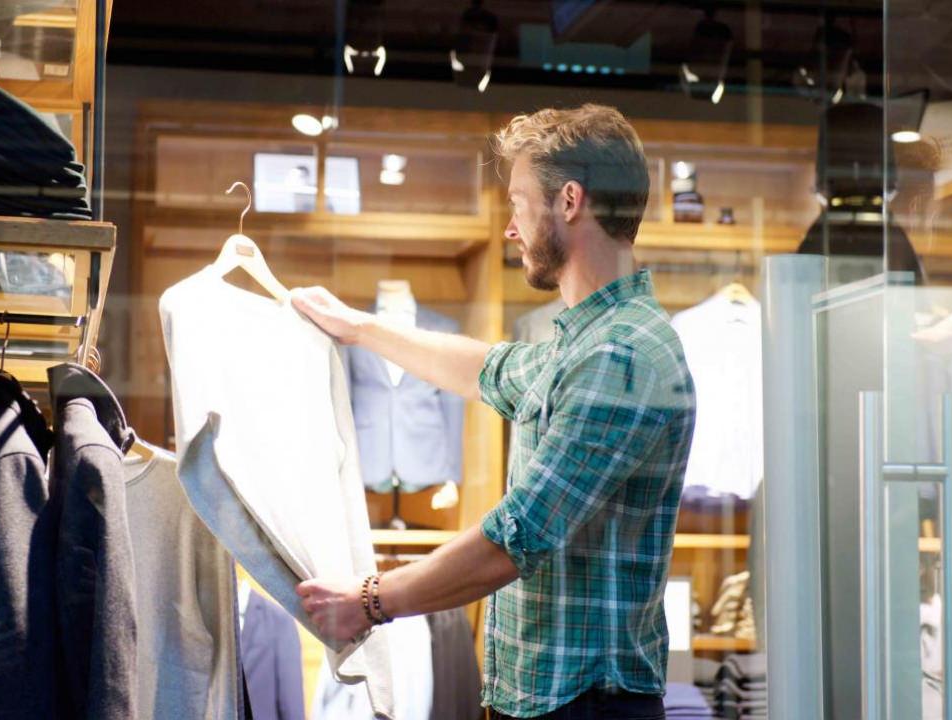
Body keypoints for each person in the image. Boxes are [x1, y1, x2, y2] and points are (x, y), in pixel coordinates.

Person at [291, 104, 696, 720]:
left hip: (584, 708)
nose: (510, 227)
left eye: (517, 203)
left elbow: (518, 535)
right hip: (550, 701)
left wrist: (372, 600)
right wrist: (361, 329)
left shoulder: (622, 354)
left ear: (568, 201)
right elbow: (487, 370)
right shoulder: (585, 342)